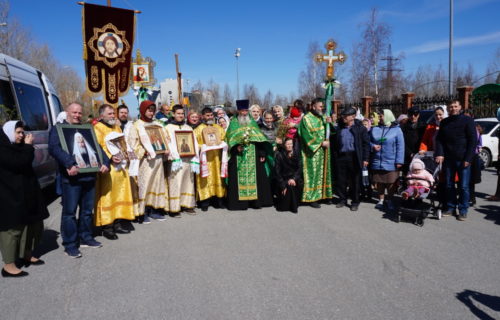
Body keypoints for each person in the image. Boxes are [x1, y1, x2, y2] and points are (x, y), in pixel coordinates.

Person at [49, 103, 110, 258]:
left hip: (89, 176)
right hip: (72, 178)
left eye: (79, 113)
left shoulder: (86, 129)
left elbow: (97, 149)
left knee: (87, 211)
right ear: (67, 113)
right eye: (74, 112)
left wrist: (105, 163)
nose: (77, 115)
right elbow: (54, 148)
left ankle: (86, 237)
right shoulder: (58, 129)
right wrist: (69, 163)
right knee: (69, 213)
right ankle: (70, 244)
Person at [0, 121, 49, 277]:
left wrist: (26, 148)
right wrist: (28, 147)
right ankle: (9, 265)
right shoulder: (4, 148)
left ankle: (26, 254)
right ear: (8, 133)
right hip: (10, 195)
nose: (21, 135)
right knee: (12, 230)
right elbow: (18, 163)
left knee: (31, 225)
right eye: (18, 132)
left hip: (26, 193)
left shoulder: (19, 147)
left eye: (22, 132)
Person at [93, 104, 135, 240]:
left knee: (119, 195)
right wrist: (111, 157)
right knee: (108, 196)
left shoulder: (116, 127)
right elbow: (98, 147)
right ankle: (107, 227)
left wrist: (128, 152)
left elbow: (122, 143)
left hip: (121, 167)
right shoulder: (98, 128)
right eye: (109, 114)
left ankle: (117, 223)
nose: (112, 116)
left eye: (113, 113)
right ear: (102, 115)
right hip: (108, 168)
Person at [225, 99, 273, 210]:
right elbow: (229, 139)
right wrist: (236, 147)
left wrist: (262, 152)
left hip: (253, 154)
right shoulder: (233, 123)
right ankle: (241, 203)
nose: (245, 113)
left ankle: (255, 202)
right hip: (239, 156)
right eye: (242, 111)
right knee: (238, 178)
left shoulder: (252, 123)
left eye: (246, 110)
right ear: (238, 111)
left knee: (257, 178)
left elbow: (260, 138)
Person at [128, 100, 170, 222]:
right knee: (144, 185)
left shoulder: (157, 125)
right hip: (145, 161)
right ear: (143, 110)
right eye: (149, 110)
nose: (151, 113)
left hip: (157, 160)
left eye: (153, 110)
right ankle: (142, 212)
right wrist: (144, 151)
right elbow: (133, 144)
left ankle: (154, 209)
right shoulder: (136, 125)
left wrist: (166, 148)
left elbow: (164, 139)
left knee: (156, 184)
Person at [435, 100, 476, 221]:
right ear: (447, 109)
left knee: (463, 186)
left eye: (455, 106)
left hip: (463, 159)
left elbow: (472, 140)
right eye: (451, 107)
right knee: (448, 184)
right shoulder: (444, 122)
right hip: (448, 159)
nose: (453, 108)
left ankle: (463, 210)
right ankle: (451, 207)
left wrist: (468, 158)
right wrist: (440, 154)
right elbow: (440, 140)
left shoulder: (467, 120)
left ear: (460, 107)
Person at [331, 107, 370, 211]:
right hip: (341, 157)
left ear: (352, 117)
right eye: (342, 116)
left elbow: (366, 144)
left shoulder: (360, 128)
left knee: (355, 181)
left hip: (354, 157)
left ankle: (355, 201)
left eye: (345, 116)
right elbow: (334, 142)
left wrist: (365, 158)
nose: (343, 118)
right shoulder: (339, 127)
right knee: (341, 180)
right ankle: (342, 199)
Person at [298, 98, 333, 208]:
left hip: (324, 151)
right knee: (313, 174)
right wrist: (321, 143)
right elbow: (305, 135)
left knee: (325, 173)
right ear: (313, 107)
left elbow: (331, 131)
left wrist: (330, 123)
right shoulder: (306, 119)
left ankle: (325, 195)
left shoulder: (323, 117)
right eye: (320, 107)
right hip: (312, 152)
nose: (322, 109)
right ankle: (312, 197)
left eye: (322, 107)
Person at [165, 105, 200, 215]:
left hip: (188, 159)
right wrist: (174, 155)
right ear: (173, 114)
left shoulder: (188, 128)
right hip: (176, 160)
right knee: (176, 181)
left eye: (182, 114)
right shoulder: (168, 128)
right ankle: (174, 208)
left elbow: (194, 143)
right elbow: (168, 143)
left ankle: (188, 205)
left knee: (188, 182)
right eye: (178, 113)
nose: (180, 115)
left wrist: (195, 157)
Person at [369, 109, 404, 212]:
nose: (379, 118)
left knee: (391, 182)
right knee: (379, 181)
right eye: (379, 116)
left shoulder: (397, 130)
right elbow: (368, 141)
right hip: (377, 160)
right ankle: (381, 200)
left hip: (391, 161)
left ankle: (390, 200)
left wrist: (399, 161)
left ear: (388, 116)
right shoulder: (374, 129)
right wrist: (373, 146)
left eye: (381, 116)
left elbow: (400, 146)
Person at [193, 107, 227, 211]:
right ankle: (204, 202)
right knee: (204, 179)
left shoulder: (218, 127)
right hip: (205, 159)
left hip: (217, 158)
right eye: (207, 115)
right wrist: (201, 146)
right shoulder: (198, 129)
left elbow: (224, 138)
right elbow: (194, 144)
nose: (210, 117)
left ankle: (219, 200)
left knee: (218, 178)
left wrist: (223, 143)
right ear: (202, 116)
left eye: (211, 115)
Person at [274, 138, 302, 213]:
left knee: (292, 187)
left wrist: (294, 178)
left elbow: (299, 169)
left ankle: (294, 206)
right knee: (287, 190)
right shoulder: (279, 155)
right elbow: (277, 172)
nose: (290, 146)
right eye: (288, 144)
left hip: (294, 179)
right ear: (284, 145)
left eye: (291, 144)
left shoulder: (296, 154)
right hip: (283, 179)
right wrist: (283, 185)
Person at [401, 107, 424, 174]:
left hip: (420, 154)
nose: (413, 116)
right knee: (408, 176)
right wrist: (409, 153)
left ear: (419, 115)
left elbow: (424, 141)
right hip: (407, 156)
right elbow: (402, 142)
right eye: (411, 114)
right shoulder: (403, 126)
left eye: (415, 114)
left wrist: (420, 151)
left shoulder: (423, 126)